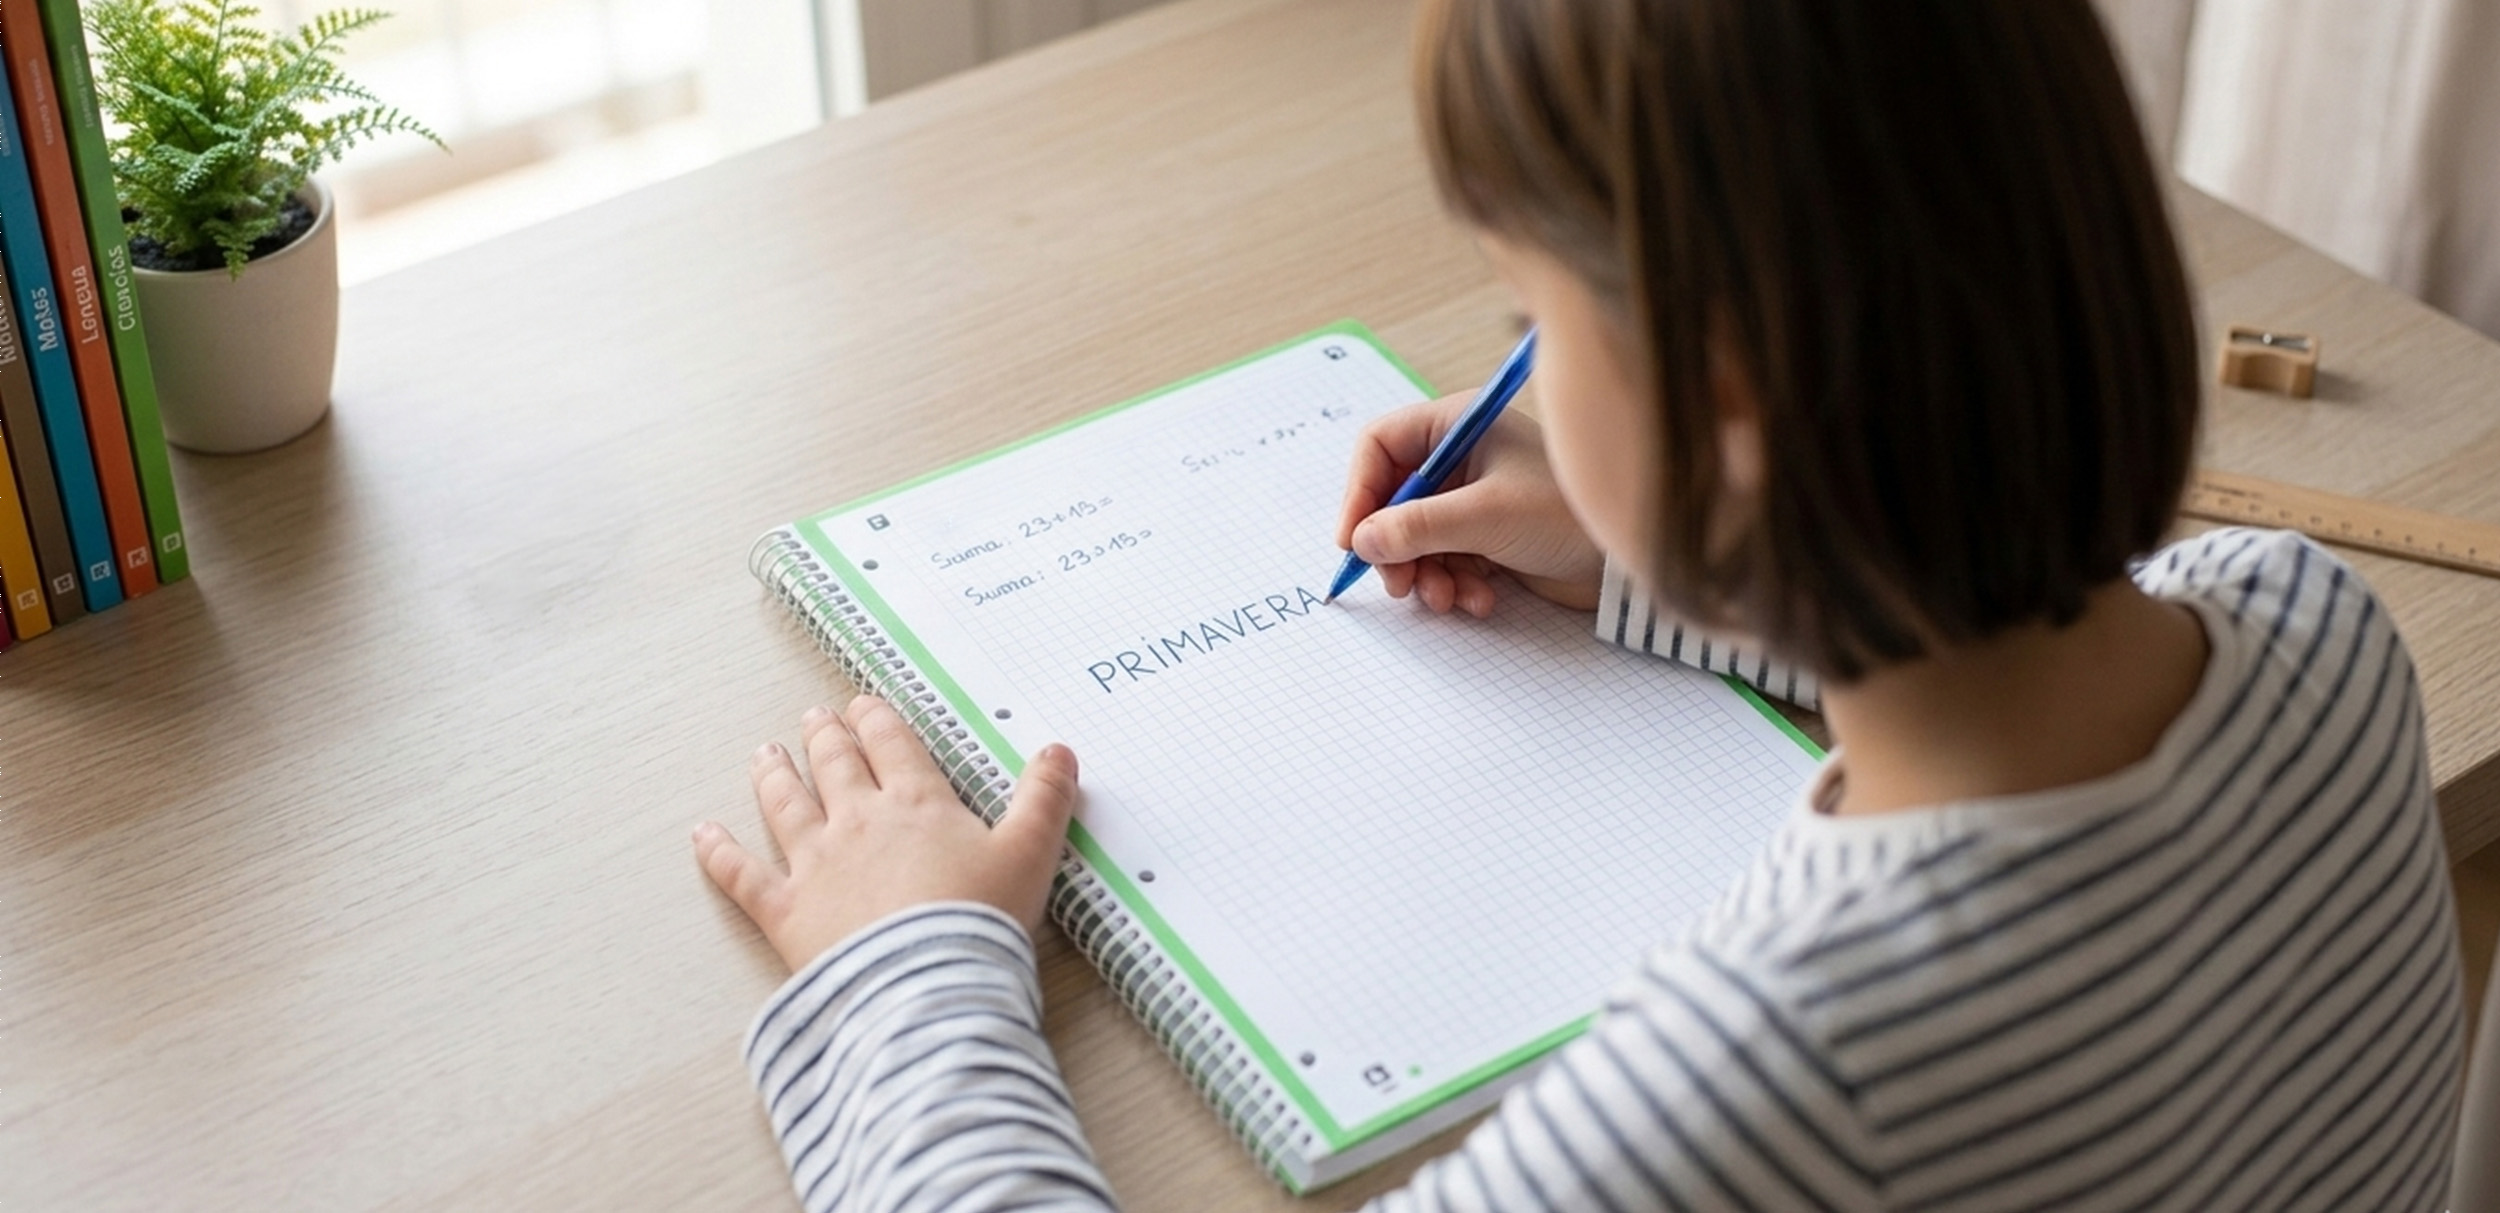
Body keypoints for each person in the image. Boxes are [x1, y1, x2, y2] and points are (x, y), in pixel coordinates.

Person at [691, 0, 2466, 1206]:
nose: (1515, 367)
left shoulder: (1763, 1087)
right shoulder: (2307, 623)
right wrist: (1652, 554)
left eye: (1532, 315)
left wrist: (904, 968)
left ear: (1725, 414)